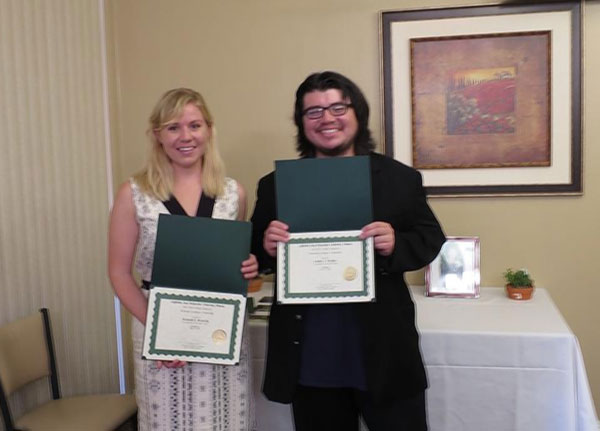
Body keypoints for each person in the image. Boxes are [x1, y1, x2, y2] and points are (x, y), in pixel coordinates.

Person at [250, 71, 446, 431]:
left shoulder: (399, 179)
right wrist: (265, 245)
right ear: (301, 122)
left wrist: (396, 243)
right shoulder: (276, 185)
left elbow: (431, 239)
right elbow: (253, 257)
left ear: (358, 113)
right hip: (311, 353)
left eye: (338, 107)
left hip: (383, 351)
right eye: (314, 111)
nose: (327, 118)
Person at [108, 88, 257, 431]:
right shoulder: (134, 195)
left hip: (221, 333)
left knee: (228, 421)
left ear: (209, 130)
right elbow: (118, 273)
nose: (185, 136)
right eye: (173, 127)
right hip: (157, 332)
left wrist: (246, 266)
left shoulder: (234, 193)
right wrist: (160, 331)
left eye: (194, 125)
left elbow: (230, 263)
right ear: (157, 135)